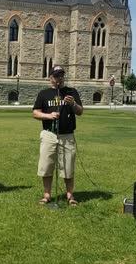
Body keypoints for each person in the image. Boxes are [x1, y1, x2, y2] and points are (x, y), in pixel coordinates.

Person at [33, 65, 83, 206]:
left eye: (61, 75)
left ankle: (70, 196)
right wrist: (48, 116)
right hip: (49, 135)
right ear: (51, 78)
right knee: (46, 165)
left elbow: (80, 111)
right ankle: (47, 195)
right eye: (56, 76)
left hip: (67, 136)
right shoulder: (44, 93)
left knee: (68, 167)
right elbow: (35, 112)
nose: (59, 78)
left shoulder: (71, 92)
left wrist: (73, 103)